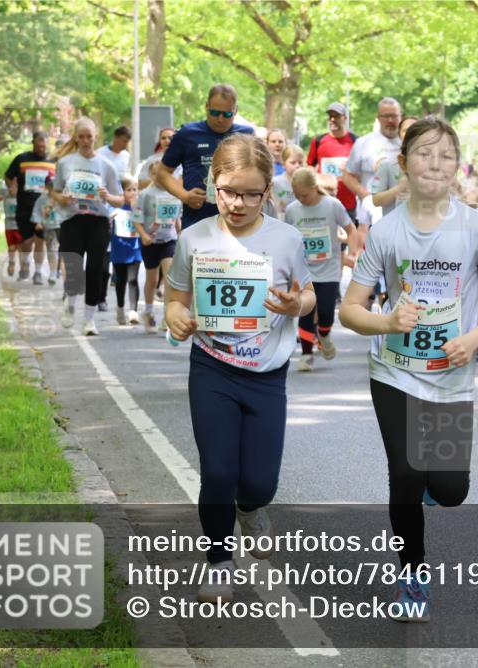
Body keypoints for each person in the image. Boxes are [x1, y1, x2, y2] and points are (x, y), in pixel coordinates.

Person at [338, 117, 478, 621]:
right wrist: (388, 320)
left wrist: (475, 339)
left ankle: (432, 492)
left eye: (445, 155)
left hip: (452, 372)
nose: (435, 164)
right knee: (407, 474)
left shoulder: (477, 227)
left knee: (452, 491)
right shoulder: (387, 231)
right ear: (405, 164)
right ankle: (412, 575)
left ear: (457, 167)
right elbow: (351, 310)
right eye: (424, 154)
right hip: (394, 370)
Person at [165, 133, 315, 603]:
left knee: (258, 482)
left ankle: (251, 509)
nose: (239, 203)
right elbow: (175, 297)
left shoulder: (286, 239)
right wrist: (176, 316)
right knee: (218, 469)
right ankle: (219, 560)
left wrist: (296, 306)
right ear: (213, 184)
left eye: (252, 194)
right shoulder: (194, 238)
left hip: (267, 375)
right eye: (230, 191)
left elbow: (307, 293)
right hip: (212, 369)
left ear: (269, 191)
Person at [51, 117, 125, 335]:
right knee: (73, 268)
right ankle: (70, 305)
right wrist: (62, 198)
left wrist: (107, 196)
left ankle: (89, 320)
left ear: (95, 137)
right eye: (81, 137)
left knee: (94, 270)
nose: (85, 141)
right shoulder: (65, 163)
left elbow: (120, 199)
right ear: (75, 137)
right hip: (72, 220)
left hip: (98, 221)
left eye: (89, 137)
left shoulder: (106, 166)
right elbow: (55, 191)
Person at [285, 167, 360, 371]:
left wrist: (353, 253)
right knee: (305, 312)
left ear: (315, 188)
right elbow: (287, 238)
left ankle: (324, 335)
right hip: (303, 269)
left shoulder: (332, 205)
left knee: (326, 313)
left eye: (305, 195)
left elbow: (351, 230)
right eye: (297, 195)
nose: (301, 199)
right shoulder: (292, 210)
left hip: (329, 268)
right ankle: (307, 354)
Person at [156, 84, 255, 230]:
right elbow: (162, 173)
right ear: (206, 106)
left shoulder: (246, 135)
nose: (220, 119)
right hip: (197, 220)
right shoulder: (187, 134)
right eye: (215, 113)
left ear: (236, 110)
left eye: (227, 114)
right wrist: (184, 196)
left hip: (237, 219)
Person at [133, 161, 181, 331]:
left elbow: (176, 218)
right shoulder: (145, 195)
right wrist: (144, 235)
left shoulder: (175, 193)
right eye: (156, 173)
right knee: (152, 280)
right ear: (152, 175)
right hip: (150, 242)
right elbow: (137, 219)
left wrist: (181, 234)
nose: (160, 176)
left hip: (169, 240)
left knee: (169, 276)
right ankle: (149, 312)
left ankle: (167, 316)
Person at [5, 130, 56, 284]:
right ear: (33, 143)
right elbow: (8, 176)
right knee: (26, 242)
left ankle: (38, 272)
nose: (42, 147)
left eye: (44, 144)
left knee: (39, 241)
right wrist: (11, 187)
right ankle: (25, 263)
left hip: (43, 208)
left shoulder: (53, 161)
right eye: (39, 144)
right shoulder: (22, 159)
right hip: (24, 207)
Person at [342, 98, 404, 220]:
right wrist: (365, 196)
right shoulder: (363, 143)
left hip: (402, 210)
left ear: (400, 116)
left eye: (394, 116)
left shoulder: (408, 143)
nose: (390, 120)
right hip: (371, 213)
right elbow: (347, 176)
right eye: (385, 116)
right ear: (378, 118)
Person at [306, 102, 358, 220]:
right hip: (323, 201)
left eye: (337, 116)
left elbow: (362, 171)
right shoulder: (318, 141)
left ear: (345, 118)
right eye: (330, 116)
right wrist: (316, 179)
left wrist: (350, 171)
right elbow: (310, 166)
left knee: (348, 237)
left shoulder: (356, 141)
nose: (333, 120)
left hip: (348, 203)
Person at [109, 176, 142, 332]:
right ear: (122, 192)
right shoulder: (116, 207)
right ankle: (120, 307)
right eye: (129, 190)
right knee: (121, 280)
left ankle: (133, 311)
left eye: (135, 189)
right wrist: (111, 218)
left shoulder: (140, 206)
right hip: (119, 247)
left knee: (133, 279)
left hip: (136, 246)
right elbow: (106, 221)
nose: (133, 193)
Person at [371, 116, 419, 219]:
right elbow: (376, 201)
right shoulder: (386, 165)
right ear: (399, 135)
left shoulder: (431, 167)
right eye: (406, 131)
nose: (410, 134)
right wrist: (399, 188)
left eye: (415, 130)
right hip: (393, 230)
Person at [31, 178, 62, 286]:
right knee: (48, 249)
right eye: (50, 185)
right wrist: (38, 222)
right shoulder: (42, 199)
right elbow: (36, 212)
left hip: (59, 226)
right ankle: (48, 273)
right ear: (47, 187)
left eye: (54, 185)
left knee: (56, 250)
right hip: (48, 227)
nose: (53, 188)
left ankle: (55, 273)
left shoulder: (62, 198)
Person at [0, 180, 21, 277]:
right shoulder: (4, 191)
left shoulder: (22, 191)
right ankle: (11, 262)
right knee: (11, 247)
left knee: (21, 247)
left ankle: (23, 267)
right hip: (9, 223)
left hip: (20, 223)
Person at [271, 145, 305, 217]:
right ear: (283, 164)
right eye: (293, 162)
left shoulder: (308, 183)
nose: (297, 166)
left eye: (300, 162)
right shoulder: (275, 182)